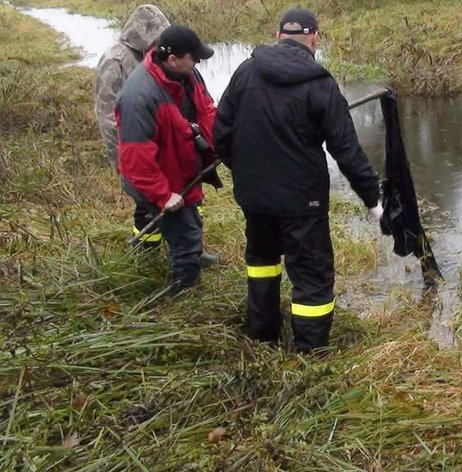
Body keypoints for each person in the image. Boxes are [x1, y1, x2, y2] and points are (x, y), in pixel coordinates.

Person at [213, 7, 383, 352]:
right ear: (315, 39)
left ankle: (263, 337)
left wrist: (246, 173)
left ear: (278, 36)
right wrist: (372, 199)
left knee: (261, 263)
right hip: (303, 200)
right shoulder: (320, 84)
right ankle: (310, 353)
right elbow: (347, 151)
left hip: (255, 196)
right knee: (311, 275)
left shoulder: (245, 72)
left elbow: (221, 134)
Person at [116, 25, 221, 292]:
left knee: (190, 220)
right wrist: (163, 195)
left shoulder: (188, 73)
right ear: (172, 59)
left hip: (180, 166)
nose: (197, 62)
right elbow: (136, 158)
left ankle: (178, 255)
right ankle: (185, 295)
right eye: (193, 57)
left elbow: (206, 110)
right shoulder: (138, 97)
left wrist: (221, 143)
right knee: (184, 235)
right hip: (156, 178)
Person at [94, 5, 170, 247]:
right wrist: (121, 160)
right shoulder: (115, 60)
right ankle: (146, 249)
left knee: (175, 197)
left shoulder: (153, 56)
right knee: (145, 202)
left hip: (158, 143)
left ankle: (187, 247)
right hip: (133, 148)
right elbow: (106, 116)